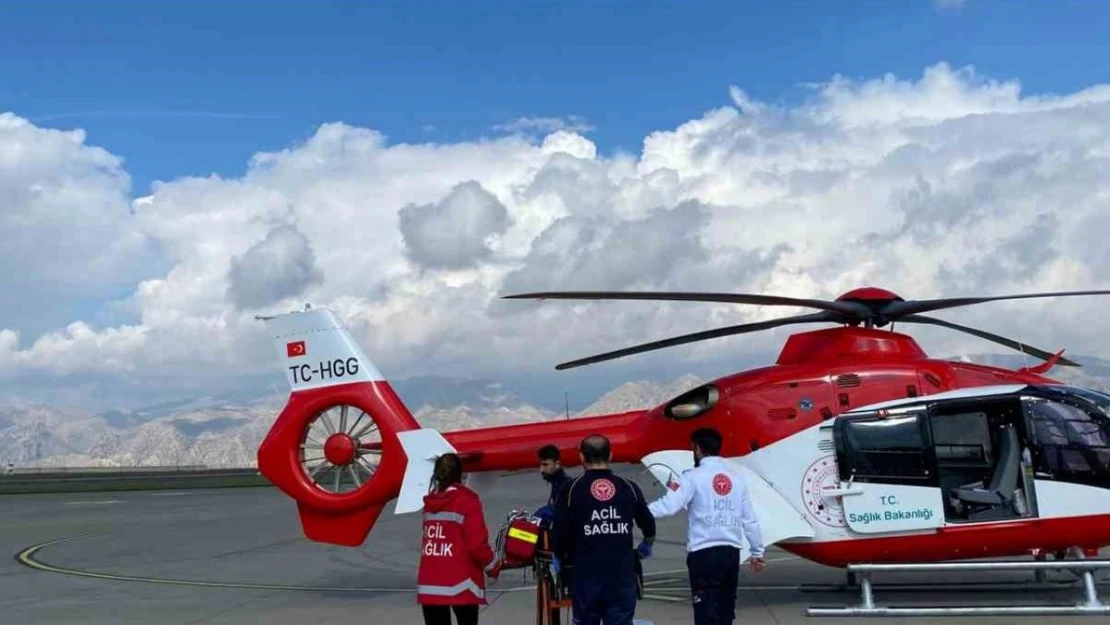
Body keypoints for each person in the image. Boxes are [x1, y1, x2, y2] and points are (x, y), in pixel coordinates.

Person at [646, 427, 765, 625]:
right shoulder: (736, 479)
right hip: (731, 554)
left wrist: (636, 511)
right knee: (726, 613)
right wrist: (757, 553)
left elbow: (667, 507)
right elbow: (750, 520)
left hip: (704, 554)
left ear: (697, 448)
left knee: (705, 613)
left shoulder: (691, 477)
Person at [552, 434, 656, 625]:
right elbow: (648, 524)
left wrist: (559, 557)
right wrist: (646, 545)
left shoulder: (571, 489)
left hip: (586, 578)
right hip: (621, 577)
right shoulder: (628, 487)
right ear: (610, 456)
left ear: (581, 457)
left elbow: (559, 533)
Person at [417, 452, 502, 625]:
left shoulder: (430, 503)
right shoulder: (467, 501)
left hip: (430, 584)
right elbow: (476, 545)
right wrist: (493, 566)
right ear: (460, 474)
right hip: (461, 584)